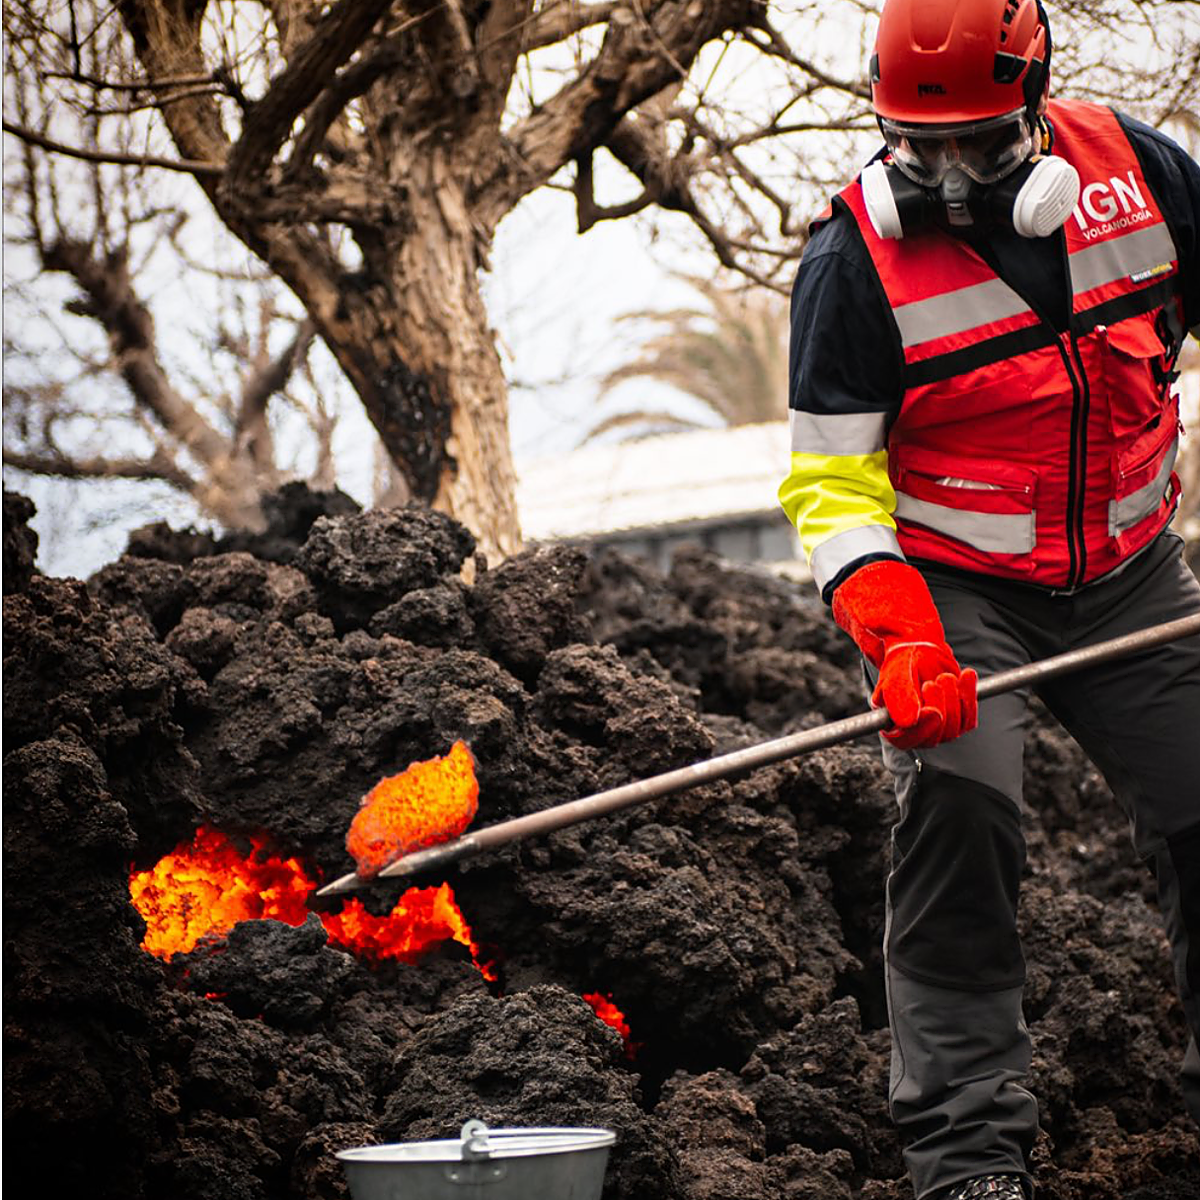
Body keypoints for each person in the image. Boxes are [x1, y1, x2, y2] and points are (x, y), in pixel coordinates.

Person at [777, 1, 1200, 1197]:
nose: (950, 179)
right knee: (962, 828)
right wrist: (899, 638)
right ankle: (969, 1157)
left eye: (980, 146)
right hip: (956, 591)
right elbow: (831, 487)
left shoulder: (1144, 175)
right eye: (920, 151)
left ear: (1036, 103)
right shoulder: (850, 261)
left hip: (1130, 577)